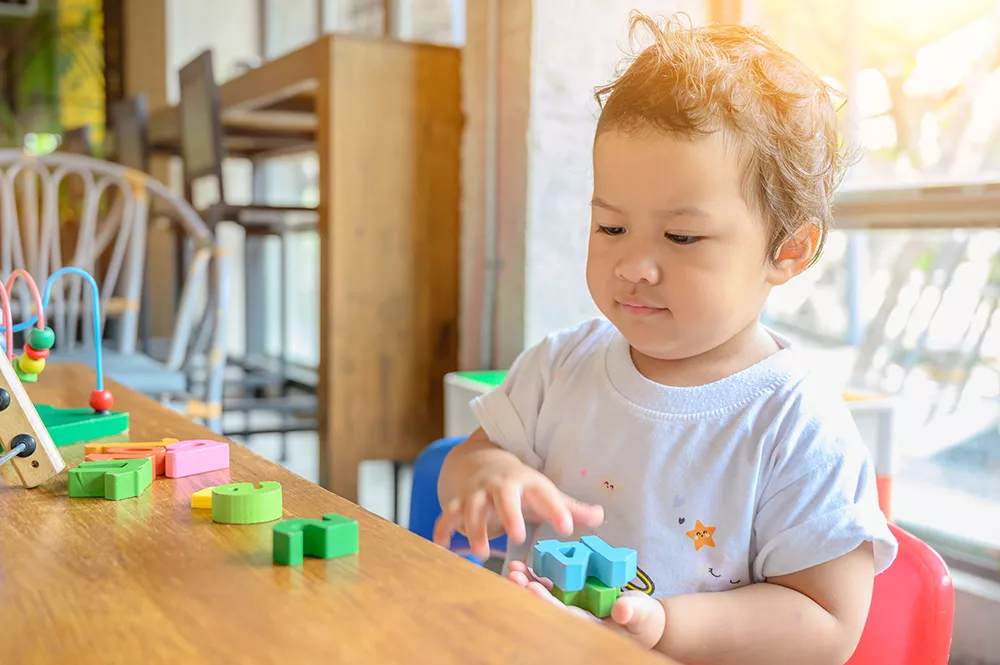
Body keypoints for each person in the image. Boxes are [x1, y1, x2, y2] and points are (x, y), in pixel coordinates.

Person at [435, 11, 897, 664]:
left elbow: (825, 621)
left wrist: (661, 625)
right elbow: (462, 462)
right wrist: (490, 475)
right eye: (611, 227)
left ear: (787, 251)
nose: (632, 264)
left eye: (680, 237)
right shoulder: (559, 365)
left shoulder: (797, 424)